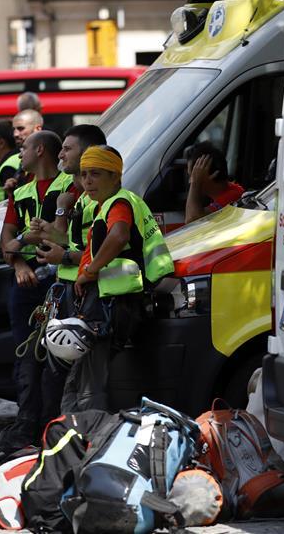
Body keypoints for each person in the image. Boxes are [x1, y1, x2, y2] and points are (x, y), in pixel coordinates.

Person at [63, 146, 174, 412]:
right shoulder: (108, 205)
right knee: (82, 376)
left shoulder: (118, 203)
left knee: (90, 381)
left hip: (110, 305)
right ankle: (71, 433)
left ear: (115, 177)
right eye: (84, 174)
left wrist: (90, 271)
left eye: (96, 174)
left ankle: (86, 438)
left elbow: (119, 236)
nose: (87, 181)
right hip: (111, 303)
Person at [0, 130, 72, 452]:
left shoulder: (69, 187)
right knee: (26, 356)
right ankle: (26, 424)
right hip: (27, 283)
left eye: (25, 148)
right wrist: (18, 265)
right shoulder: (22, 192)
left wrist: (23, 242)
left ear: (40, 150)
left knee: (56, 356)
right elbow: (6, 243)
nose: (20, 153)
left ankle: (49, 425)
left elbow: (62, 236)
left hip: (58, 281)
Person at [33, 125, 107, 282]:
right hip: (78, 287)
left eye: (67, 149)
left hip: (99, 291)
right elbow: (77, 243)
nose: (60, 155)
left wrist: (64, 256)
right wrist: (49, 234)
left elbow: (106, 254)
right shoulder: (80, 195)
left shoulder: (105, 198)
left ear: (88, 152)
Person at [184, 141, 245, 224]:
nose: (190, 181)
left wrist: (195, 183)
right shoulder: (230, 191)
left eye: (193, 175)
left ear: (211, 175)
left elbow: (191, 220)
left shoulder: (231, 198)